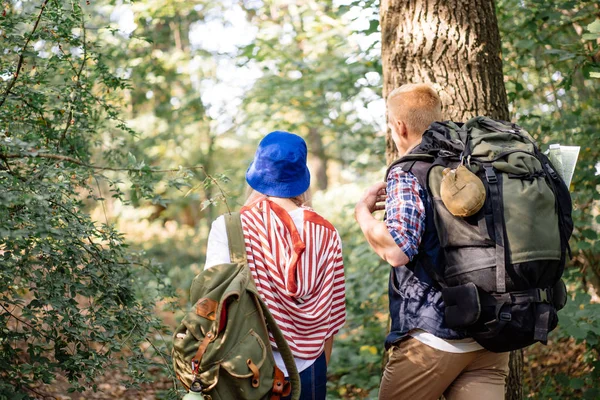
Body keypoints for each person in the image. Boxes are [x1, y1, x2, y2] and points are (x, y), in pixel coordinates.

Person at [354, 84, 509, 400]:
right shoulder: (476, 163)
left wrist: (363, 214)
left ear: (399, 126)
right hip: (492, 335)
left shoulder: (409, 169)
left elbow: (397, 249)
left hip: (435, 335)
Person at [203, 131, 346, 400]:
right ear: (301, 177)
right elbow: (331, 319)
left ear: (257, 173)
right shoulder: (328, 232)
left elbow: (212, 302)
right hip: (310, 370)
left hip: (245, 368)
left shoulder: (230, 227)